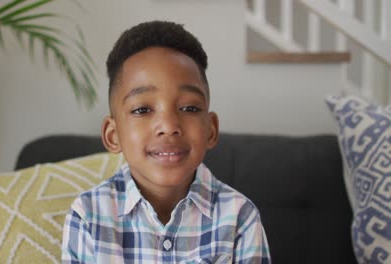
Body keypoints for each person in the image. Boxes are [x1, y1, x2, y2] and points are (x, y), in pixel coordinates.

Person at [62, 20, 271, 263]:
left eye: (189, 107)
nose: (169, 126)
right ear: (113, 135)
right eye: (142, 110)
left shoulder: (240, 218)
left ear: (211, 130)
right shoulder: (88, 215)